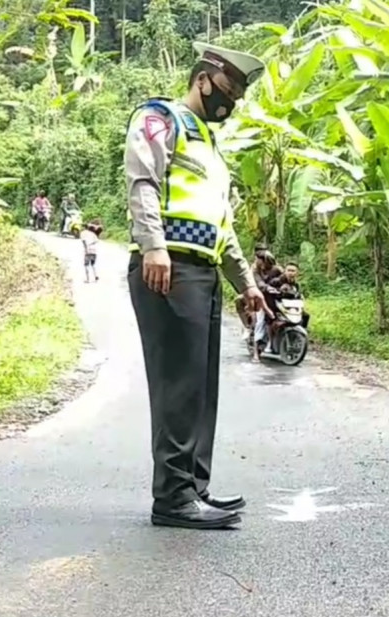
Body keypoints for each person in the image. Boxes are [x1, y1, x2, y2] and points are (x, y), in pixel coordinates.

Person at [124, 40, 270, 530]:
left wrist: (246, 284)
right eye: (228, 89)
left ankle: (194, 489)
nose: (231, 102)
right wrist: (153, 246)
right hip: (168, 269)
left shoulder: (210, 147)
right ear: (203, 80)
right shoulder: (159, 118)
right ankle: (172, 498)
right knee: (177, 387)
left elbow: (222, 224)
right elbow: (142, 181)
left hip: (203, 274)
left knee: (201, 389)